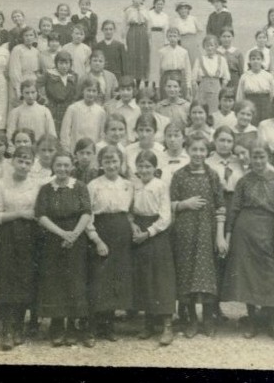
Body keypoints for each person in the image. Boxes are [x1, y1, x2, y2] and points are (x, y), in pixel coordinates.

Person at [221, 143, 274, 341]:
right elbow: (234, 209)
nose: (258, 161)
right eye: (254, 157)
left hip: (268, 229)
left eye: (262, 157)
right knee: (248, 276)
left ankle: (272, 321)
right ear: (249, 158)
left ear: (268, 157)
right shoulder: (243, 181)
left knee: (271, 274)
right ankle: (253, 321)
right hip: (245, 231)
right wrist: (229, 236)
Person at [170, 133, 226, 338]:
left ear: (207, 152)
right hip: (185, 232)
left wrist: (220, 236)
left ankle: (209, 318)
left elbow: (221, 207)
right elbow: (169, 203)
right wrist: (185, 204)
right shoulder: (179, 175)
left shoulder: (212, 175)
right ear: (187, 150)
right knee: (187, 273)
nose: (198, 154)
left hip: (207, 231)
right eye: (194, 149)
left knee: (207, 274)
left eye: (202, 150)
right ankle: (192, 319)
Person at [35, 148, 93, 347]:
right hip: (53, 241)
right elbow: (40, 215)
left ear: (72, 166)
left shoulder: (80, 187)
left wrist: (75, 234)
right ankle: (57, 326)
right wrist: (62, 233)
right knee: (56, 282)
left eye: (66, 165)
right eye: (58, 165)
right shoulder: (45, 188)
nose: (62, 169)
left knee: (75, 281)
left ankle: (73, 327)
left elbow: (86, 212)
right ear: (53, 166)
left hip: (77, 241)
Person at [0, 144, 39, 350]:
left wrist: (27, 217)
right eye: (20, 160)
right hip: (7, 236)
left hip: (29, 237)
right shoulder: (0, 185)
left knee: (24, 280)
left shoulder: (36, 186)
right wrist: (19, 214)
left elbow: (37, 213)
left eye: (28, 162)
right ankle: (7, 330)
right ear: (12, 162)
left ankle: (19, 326)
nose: (23, 165)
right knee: (7, 281)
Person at [85, 146, 134, 342]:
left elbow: (129, 211)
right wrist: (96, 239)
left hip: (121, 232)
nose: (111, 165)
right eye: (107, 161)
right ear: (101, 163)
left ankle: (108, 326)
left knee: (115, 279)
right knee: (98, 278)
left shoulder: (128, 185)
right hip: (101, 229)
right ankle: (91, 327)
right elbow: (88, 214)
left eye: (114, 161)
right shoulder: (93, 185)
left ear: (120, 163)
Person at [130, 149, 176, 345]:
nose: (144, 170)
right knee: (145, 277)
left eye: (148, 166)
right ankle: (149, 323)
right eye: (140, 166)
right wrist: (133, 225)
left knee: (161, 279)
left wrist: (148, 232)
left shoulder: (161, 186)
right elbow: (129, 210)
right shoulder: (133, 185)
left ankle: (167, 325)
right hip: (138, 229)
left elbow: (166, 216)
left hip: (156, 234)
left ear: (155, 168)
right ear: (136, 169)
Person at [123, 0, 150, 87]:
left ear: (142, 0)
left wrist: (148, 35)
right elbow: (125, 24)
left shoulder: (145, 10)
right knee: (132, 55)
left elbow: (148, 23)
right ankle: (134, 81)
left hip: (142, 31)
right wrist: (124, 38)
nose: (136, 0)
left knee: (142, 55)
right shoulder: (128, 10)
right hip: (132, 31)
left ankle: (143, 80)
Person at [170, 1, 202, 65]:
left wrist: (198, 42)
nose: (183, 10)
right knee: (183, 60)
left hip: (193, 42)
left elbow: (200, 30)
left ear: (188, 10)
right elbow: (173, 33)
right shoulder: (176, 21)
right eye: (181, 9)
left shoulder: (193, 19)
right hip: (182, 41)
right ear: (178, 11)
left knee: (194, 60)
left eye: (185, 8)